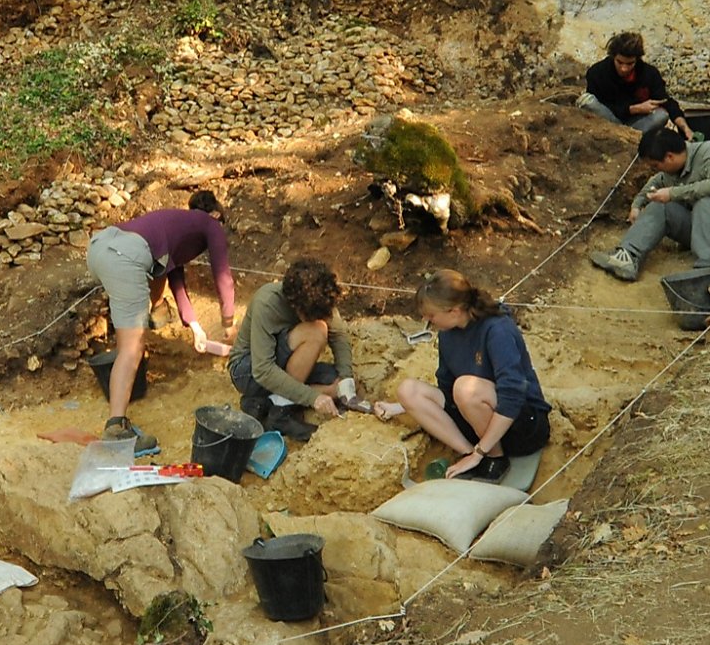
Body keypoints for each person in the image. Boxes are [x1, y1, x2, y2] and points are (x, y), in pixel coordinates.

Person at [85, 190, 238, 452]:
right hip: (125, 257)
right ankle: (115, 429)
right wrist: (228, 322)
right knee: (131, 349)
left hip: (100, 247)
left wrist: (195, 327)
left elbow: (173, 277)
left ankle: (119, 423)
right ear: (215, 213)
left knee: (129, 344)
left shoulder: (176, 226)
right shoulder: (211, 223)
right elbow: (222, 274)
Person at [379, 270, 551, 482]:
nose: (427, 320)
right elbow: (446, 389)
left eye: (431, 315)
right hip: (476, 422)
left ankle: (494, 459)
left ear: (454, 311)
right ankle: (469, 454)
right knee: (408, 390)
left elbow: (513, 394)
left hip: (521, 426)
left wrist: (483, 450)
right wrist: (401, 407)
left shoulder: (497, 329)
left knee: (465, 388)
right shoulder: (447, 334)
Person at [589, 127, 710, 281]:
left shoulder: (709, 152)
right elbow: (656, 183)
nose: (658, 170)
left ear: (669, 157)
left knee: (706, 202)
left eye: (657, 165)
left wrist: (673, 193)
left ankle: (708, 269)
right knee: (661, 205)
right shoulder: (673, 170)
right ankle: (628, 256)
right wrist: (637, 204)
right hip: (708, 229)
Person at [229, 258, 354, 442]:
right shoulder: (268, 303)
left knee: (334, 382)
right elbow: (263, 370)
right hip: (248, 370)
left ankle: (264, 402)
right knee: (316, 331)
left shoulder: (321, 294)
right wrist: (313, 398)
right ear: (297, 308)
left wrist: (346, 378)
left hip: (282, 364)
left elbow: (338, 335)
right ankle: (280, 413)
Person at [579, 32, 678, 134]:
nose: (624, 69)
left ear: (637, 60)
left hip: (635, 124)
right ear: (613, 57)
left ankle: (625, 134)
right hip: (608, 120)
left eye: (630, 64)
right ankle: (623, 134)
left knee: (661, 116)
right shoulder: (597, 73)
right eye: (619, 62)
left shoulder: (649, 73)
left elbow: (665, 101)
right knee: (588, 101)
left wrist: (685, 128)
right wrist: (634, 109)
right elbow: (602, 107)